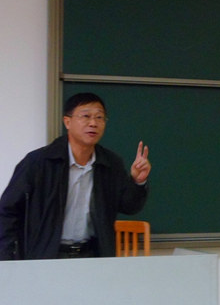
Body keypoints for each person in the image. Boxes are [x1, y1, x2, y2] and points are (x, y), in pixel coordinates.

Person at [0, 92, 151, 260]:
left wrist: (138, 181)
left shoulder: (111, 163)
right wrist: (6, 259)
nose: (93, 123)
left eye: (99, 117)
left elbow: (129, 207)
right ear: (67, 122)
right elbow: (7, 211)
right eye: (86, 116)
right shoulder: (38, 162)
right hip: (46, 256)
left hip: (93, 255)